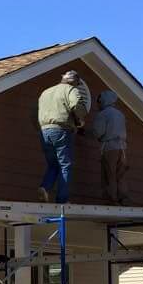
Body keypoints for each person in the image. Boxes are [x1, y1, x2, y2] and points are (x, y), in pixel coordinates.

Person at [37, 70, 91, 204]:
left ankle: (45, 187)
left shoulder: (46, 92)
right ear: (74, 81)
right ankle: (62, 200)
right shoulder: (70, 90)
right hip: (61, 130)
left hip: (44, 131)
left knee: (53, 164)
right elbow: (77, 106)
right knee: (65, 165)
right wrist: (81, 119)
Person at [91, 89, 129, 204]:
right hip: (122, 148)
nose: (98, 103)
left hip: (109, 148)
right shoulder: (120, 114)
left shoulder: (103, 114)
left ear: (104, 101)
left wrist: (83, 132)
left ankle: (111, 200)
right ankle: (123, 198)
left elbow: (98, 132)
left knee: (109, 174)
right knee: (120, 174)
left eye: (99, 101)